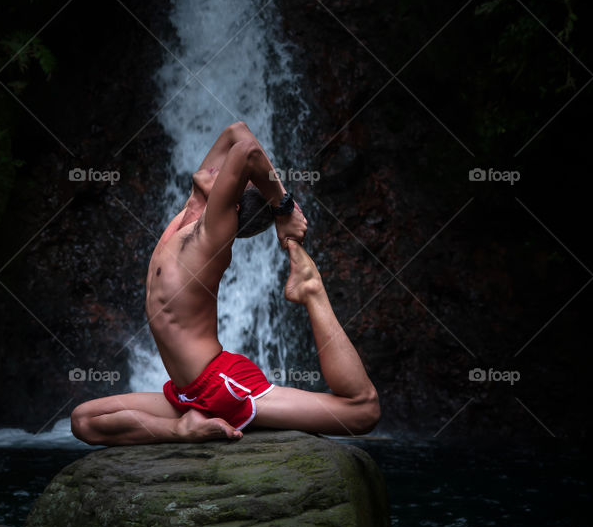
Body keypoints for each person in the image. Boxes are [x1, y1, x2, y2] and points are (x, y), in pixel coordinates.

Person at [70, 121, 380, 445]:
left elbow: (246, 152)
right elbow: (237, 132)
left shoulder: (210, 235)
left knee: (362, 410)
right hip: (186, 393)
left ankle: (311, 288)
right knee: (84, 421)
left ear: (230, 205)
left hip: (223, 386)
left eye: (225, 176)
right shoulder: (191, 212)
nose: (213, 166)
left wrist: (283, 207)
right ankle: (181, 430)